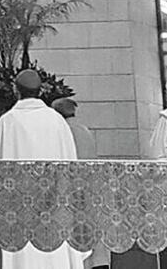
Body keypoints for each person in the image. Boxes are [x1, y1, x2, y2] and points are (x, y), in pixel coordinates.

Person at [0, 70, 85, 269]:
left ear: (16, 90)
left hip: (20, 209)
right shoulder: (57, 121)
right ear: (40, 91)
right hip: (55, 205)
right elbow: (71, 163)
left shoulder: (7, 122)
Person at [52, 98, 108, 269]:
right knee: (93, 233)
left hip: (72, 189)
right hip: (91, 187)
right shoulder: (84, 129)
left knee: (78, 235)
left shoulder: (63, 131)